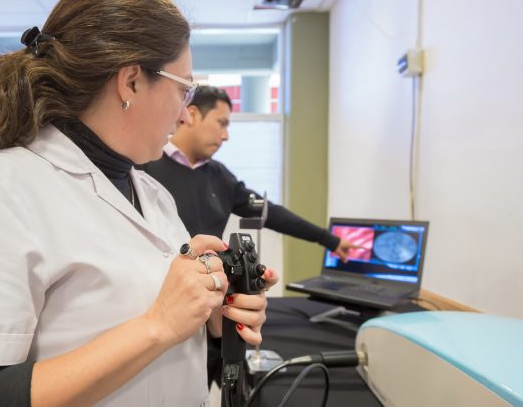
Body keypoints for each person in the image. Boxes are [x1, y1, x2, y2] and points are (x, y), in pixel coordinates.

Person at [0, 0, 277, 406]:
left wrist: (212, 309)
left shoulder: (152, 194)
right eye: (183, 90)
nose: (184, 114)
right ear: (131, 80)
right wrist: (158, 324)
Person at [138, 85, 360, 386]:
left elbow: (273, 213)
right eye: (222, 123)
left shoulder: (220, 176)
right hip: (159, 312)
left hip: (214, 314)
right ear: (190, 115)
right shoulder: (143, 168)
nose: (226, 135)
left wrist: (329, 239)